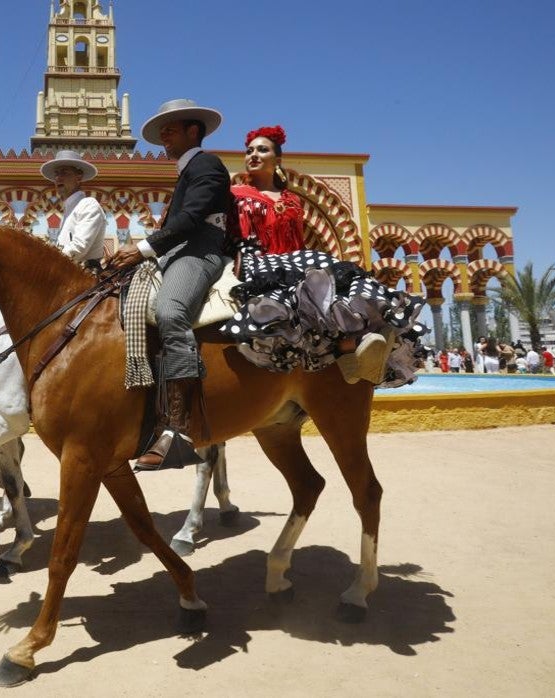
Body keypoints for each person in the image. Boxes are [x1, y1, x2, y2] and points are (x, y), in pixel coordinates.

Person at [215, 123, 423, 388]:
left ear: (277, 159)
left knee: (334, 273)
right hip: (255, 262)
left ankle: (359, 345)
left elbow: (296, 243)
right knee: (323, 263)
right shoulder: (235, 194)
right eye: (249, 151)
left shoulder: (292, 201)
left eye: (262, 150)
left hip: (289, 261)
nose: (253, 155)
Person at [104, 98, 234, 471]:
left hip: (200, 250)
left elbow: (193, 220)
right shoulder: (186, 171)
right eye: (162, 131)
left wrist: (144, 248)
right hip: (176, 252)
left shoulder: (206, 164)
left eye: (171, 129)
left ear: (194, 131)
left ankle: (178, 430)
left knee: (169, 310)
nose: (163, 136)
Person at [40, 150, 106, 269]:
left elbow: (79, 248)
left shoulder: (88, 205)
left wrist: (47, 261)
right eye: (57, 174)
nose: (58, 178)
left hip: (85, 277)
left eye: (64, 172)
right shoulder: (69, 209)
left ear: (78, 177)